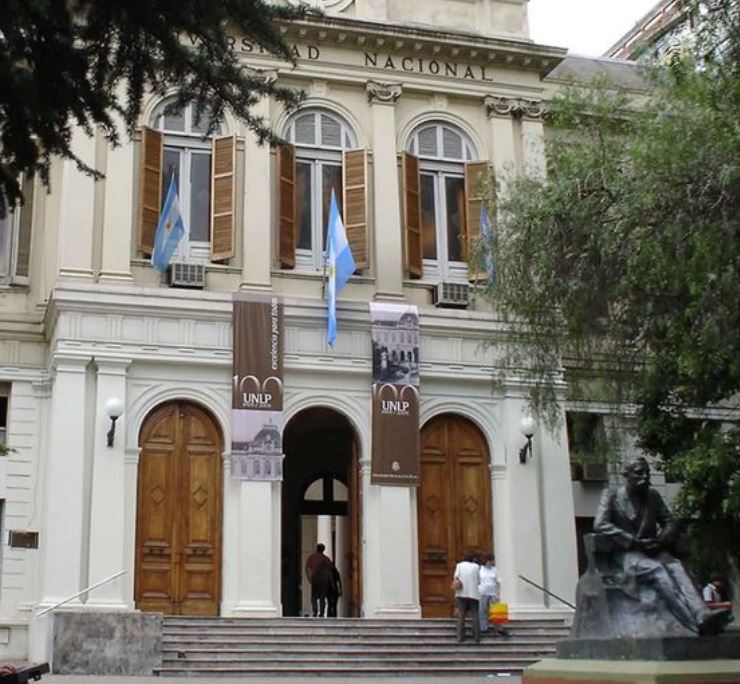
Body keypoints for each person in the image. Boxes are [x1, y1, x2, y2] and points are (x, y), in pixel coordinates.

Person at [593, 456, 732, 635]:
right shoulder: (611, 495)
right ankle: (693, 621)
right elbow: (600, 524)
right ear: (626, 475)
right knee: (658, 571)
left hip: (653, 549)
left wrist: (661, 539)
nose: (645, 477)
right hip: (628, 554)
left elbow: (669, 521)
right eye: (639, 473)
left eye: (647, 473)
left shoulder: (653, 496)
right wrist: (630, 540)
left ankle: (702, 612)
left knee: (677, 567)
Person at [453, 549, 480, 643]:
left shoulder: (459, 565)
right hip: (474, 593)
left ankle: (460, 637)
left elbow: (456, 577)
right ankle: (477, 637)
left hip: (462, 593)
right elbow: (479, 580)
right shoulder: (476, 567)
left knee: (461, 615)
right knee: (475, 615)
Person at [478, 553, 506, 636]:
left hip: (493, 592)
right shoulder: (480, 569)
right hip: (482, 592)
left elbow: (498, 582)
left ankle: (499, 628)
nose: (492, 562)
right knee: (482, 610)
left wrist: (498, 593)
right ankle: (484, 628)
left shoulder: (495, 570)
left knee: (497, 611)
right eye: (490, 560)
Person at [305, 543, 333, 618]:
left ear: (316, 549)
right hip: (324, 580)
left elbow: (307, 568)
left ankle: (315, 612)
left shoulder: (311, 558)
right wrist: (331, 582)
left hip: (315, 579)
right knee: (322, 597)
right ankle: (321, 613)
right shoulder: (326, 559)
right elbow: (330, 571)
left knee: (314, 597)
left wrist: (309, 578)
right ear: (323, 550)